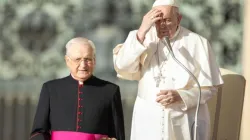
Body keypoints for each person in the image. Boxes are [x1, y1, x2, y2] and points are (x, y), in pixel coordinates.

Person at [113, 0, 223, 140]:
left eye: (167, 20)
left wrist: (181, 96)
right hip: (147, 119)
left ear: (179, 19)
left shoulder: (197, 42)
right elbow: (122, 66)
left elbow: (210, 88)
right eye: (157, 21)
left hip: (182, 120)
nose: (162, 25)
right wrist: (142, 30)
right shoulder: (140, 38)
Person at [30, 37, 125, 140]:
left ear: (94, 61)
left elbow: (118, 134)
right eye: (77, 59)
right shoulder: (50, 89)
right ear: (67, 60)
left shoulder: (110, 91)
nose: (83, 65)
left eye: (88, 59)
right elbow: (38, 132)